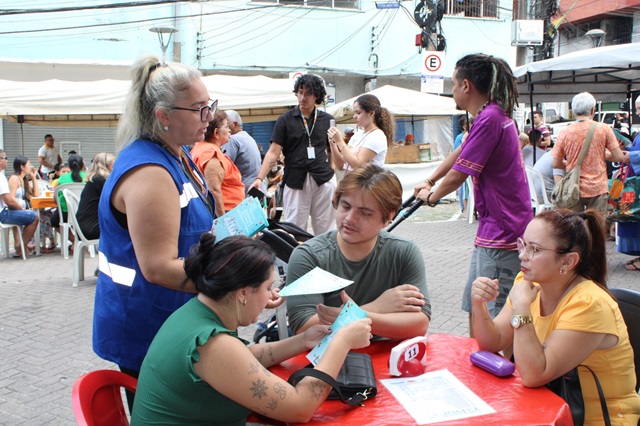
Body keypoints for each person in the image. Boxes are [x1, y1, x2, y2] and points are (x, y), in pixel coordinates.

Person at [131, 234, 372, 425]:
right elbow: (299, 409)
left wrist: (302, 341)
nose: (272, 295)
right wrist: (342, 342)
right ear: (243, 293)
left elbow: (241, 358)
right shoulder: (214, 345)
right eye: (268, 287)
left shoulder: (196, 311)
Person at [92, 55, 217, 410]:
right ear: (164, 116)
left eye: (210, 106)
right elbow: (159, 267)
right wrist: (234, 285)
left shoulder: (178, 154)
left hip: (173, 318)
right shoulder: (149, 173)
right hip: (149, 326)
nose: (209, 117)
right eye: (199, 109)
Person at [470, 209, 640, 424]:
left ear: (568, 261)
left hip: (598, 419)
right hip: (549, 408)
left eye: (535, 249)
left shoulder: (589, 303)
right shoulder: (528, 281)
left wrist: (522, 309)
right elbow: (492, 343)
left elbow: (533, 376)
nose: (522, 255)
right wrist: (479, 305)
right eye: (523, 244)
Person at [413, 53, 533, 332]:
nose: (452, 90)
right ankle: (481, 360)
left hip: (503, 231)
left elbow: (459, 174)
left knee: (490, 312)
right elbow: (461, 152)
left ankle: (495, 366)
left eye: (453, 84)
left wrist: (431, 197)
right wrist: (429, 180)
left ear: (466, 86)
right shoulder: (491, 116)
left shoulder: (490, 118)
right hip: (498, 227)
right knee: (476, 305)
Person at [286, 164, 431, 339]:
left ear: (388, 218)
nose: (349, 219)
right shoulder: (308, 256)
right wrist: (378, 307)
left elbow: (419, 324)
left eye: (365, 213)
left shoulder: (403, 253)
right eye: (345, 206)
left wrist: (353, 315)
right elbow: (305, 328)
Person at [250, 74, 336, 235]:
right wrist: (259, 178)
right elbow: (273, 152)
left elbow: (333, 150)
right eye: (300, 92)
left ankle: (325, 260)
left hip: (323, 178)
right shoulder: (285, 120)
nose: (302, 97)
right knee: (293, 228)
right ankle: (296, 259)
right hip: (295, 178)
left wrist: (332, 174)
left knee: (326, 228)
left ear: (316, 95)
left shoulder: (327, 119)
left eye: (308, 93)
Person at [552, 92, 626, 216]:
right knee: (596, 227)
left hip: (573, 188)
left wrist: (570, 163)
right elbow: (619, 157)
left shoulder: (565, 132)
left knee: (576, 226)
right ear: (593, 110)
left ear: (574, 111)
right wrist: (603, 154)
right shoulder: (604, 129)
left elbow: (556, 163)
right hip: (598, 187)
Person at [192, 110, 245, 217]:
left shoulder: (202, 147)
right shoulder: (210, 152)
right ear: (216, 133)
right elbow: (214, 189)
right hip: (226, 212)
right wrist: (223, 221)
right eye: (226, 126)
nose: (230, 130)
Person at [328, 94, 395, 174]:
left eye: (358, 113)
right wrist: (333, 144)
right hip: (352, 183)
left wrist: (339, 141)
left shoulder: (377, 136)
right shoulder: (357, 135)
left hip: (367, 184)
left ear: (371, 113)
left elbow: (357, 165)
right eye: (354, 113)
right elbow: (341, 165)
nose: (354, 116)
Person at [0, 150, 38, 258]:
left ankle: (21, 245)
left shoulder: (23, 179)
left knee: (30, 215)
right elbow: (9, 200)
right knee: (34, 217)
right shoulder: (11, 178)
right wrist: (22, 210)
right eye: (6, 158)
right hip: (4, 212)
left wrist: (34, 177)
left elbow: (36, 193)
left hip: (7, 210)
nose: (7, 161)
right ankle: (20, 246)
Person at [75, 153, 115, 240]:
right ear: (108, 166)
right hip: (92, 228)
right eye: (113, 165)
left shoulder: (94, 180)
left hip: (84, 226)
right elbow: (115, 199)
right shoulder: (100, 180)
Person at [223, 110, 262, 194]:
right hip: (256, 188)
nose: (225, 128)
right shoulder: (249, 138)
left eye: (226, 125)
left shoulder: (232, 140)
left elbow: (223, 168)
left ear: (235, 124)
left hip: (243, 192)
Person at [50, 154, 86, 237]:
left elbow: (55, 200)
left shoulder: (62, 178)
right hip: (84, 212)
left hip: (66, 212)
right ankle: (80, 242)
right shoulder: (88, 177)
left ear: (69, 166)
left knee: (54, 221)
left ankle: (73, 241)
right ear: (83, 165)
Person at [453, 115, 470, 215]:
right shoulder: (460, 137)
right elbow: (456, 152)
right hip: (463, 165)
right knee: (463, 188)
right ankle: (464, 208)